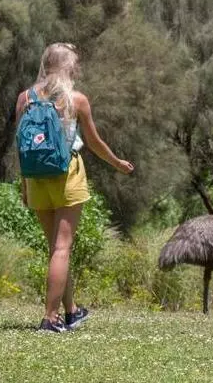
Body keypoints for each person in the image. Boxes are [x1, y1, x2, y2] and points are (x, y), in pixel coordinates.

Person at [15, 43, 134, 333]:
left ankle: (70, 311)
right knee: (62, 248)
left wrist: (24, 183)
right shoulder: (76, 100)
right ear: (69, 68)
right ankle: (50, 317)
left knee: (54, 248)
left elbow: (19, 145)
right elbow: (94, 143)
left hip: (35, 177)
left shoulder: (25, 98)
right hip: (67, 174)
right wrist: (117, 163)